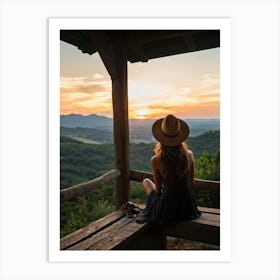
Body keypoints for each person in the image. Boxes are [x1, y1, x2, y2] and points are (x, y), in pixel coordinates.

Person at [138, 114, 201, 224]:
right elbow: (190, 184)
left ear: (161, 138)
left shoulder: (156, 160)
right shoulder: (189, 155)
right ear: (180, 137)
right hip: (188, 207)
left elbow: (157, 191)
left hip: (167, 208)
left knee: (146, 181)